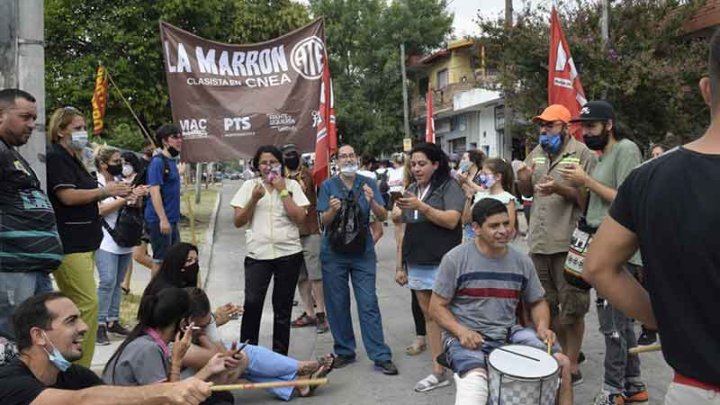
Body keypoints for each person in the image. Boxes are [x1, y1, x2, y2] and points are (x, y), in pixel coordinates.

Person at [584, 31, 720, 405]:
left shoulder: (650, 178)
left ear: (706, 90)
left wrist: (667, 320)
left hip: (695, 389)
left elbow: (597, 266)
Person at [429, 199, 572, 405]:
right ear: (476, 228)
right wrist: (461, 332)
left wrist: (542, 327)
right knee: (475, 382)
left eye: (506, 223)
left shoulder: (522, 261)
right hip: (464, 335)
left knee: (562, 364)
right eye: (494, 226)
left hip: (509, 331)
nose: (504, 230)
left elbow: (537, 302)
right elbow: (436, 307)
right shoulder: (455, 259)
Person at [559, 101, 647, 404]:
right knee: (619, 322)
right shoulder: (599, 157)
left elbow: (626, 198)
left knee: (612, 325)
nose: (586, 133)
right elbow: (593, 206)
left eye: (591, 127)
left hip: (619, 249)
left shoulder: (626, 150)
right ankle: (634, 385)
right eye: (583, 127)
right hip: (598, 242)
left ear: (609, 125)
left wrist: (587, 181)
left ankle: (613, 389)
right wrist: (578, 185)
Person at [0, 292, 212, 405]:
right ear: (38, 336)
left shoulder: (78, 377)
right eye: (71, 321)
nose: (84, 327)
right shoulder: (10, 384)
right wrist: (169, 390)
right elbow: (81, 401)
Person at [516, 104, 597, 384]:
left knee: (572, 307)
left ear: (565, 127)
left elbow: (590, 200)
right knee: (545, 306)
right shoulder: (536, 154)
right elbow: (527, 193)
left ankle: (572, 364)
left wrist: (561, 188)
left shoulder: (582, 154)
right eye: (541, 126)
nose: (544, 131)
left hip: (568, 243)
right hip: (538, 243)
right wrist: (523, 181)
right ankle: (561, 354)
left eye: (550, 126)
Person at [46, 106, 132, 367]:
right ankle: (79, 366)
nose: (83, 133)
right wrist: (105, 192)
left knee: (78, 305)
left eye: (84, 128)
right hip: (70, 245)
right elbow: (67, 196)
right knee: (88, 305)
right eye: (77, 128)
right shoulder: (57, 158)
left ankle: (71, 365)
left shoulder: (75, 158)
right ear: (61, 130)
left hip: (85, 242)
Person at [317, 144, 398, 375]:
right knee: (337, 303)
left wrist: (372, 201)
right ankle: (344, 350)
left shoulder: (368, 182)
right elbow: (323, 221)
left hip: (362, 251)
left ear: (357, 159)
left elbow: (383, 216)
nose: (348, 159)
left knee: (368, 302)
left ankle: (380, 355)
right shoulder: (328, 186)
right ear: (337, 161)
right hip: (334, 252)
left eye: (351, 155)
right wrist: (332, 210)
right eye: (343, 156)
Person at [393, 142, 465, 392]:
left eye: (422, 163)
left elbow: (452, 220)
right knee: (430, 316)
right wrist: (397, 215)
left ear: (436, 164)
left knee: (452, 313)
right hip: (418, 259)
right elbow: (403, 227)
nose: (416, 168)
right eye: (413, 164)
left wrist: (421, 207)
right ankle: (438, 369)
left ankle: (467, 363)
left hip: (444, 260)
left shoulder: (449, 186)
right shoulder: (411, 188)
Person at [183, 287, 334, 401]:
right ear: (186, 322)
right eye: (203, 325)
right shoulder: (177, 341)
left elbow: (221, 352)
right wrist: (205, 331)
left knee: (245, 355)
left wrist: (210, 325)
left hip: (200, 363)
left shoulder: (195, 318)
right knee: (243, 360)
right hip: (186, 385)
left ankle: (299, 380)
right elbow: (218, 357)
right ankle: (299, 369)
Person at [231, 145, 309, 355]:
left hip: (288, 253)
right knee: (253, 304)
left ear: (280, 164)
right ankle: (248, 355)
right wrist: (254, 200)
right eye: (264, 163)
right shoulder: (250, 186)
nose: (268, 167)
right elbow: (238, 221)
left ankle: (279, 358)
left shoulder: (292, 185)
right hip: (258, 254)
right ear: (257, 166)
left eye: (273, 162)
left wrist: (283, 190)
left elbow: (300, 219)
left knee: (282, 308)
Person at [0, 89, 63, 344]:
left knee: (37, 340)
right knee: (15, 341)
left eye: (33, 118)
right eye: (25, 117)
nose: (31, 125)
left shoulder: (10, 153)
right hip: (11, 269)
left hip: (31, 266)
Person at [103, 288, 235, 405]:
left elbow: (169, 392)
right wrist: (177, 361)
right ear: (185, 323)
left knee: (221, 396)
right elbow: (170, 399)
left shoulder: (147, 339)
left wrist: (209, 368)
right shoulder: (149, 350)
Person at [94, 146, 147, 346]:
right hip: (104, 239)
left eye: (122, 162)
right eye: (116, 161)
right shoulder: (96, 183)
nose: (121, 166)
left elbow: (131, 206)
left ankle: (112, 320)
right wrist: (124, 199)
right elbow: (99, 209)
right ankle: (98, 324)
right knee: (107, 281)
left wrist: (136, 197)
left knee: (117, 282)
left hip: (124, 238)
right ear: (103, 164)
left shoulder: (120, 183)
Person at [283, 144, 329, 334]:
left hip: (310, 231)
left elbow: (303, 191)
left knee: (316, 275)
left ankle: (321, 314)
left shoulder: (308, 175)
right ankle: (309, 312)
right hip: (291, 233)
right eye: (287, 155)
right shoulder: (281, 178)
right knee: (301, 277)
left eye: (293, 154)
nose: (290, 158)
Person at [145, 124, 183, 274]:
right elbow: (154, 192)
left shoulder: (172, 162)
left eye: (180, 137)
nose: (179, 140)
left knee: (175, 258)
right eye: (175, 137)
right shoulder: (158, 162)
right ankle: (152, 295)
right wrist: (163, 219)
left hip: (172, 219)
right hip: (160, 220)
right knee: (160, 261)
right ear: (165, 141)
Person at [119, 151, 153, 295]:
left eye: (126, 163)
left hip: (141, 221)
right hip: (123, 222)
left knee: (138, 255)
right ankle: (125, 285)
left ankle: (165, 270)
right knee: (127, 254)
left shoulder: (141, 179)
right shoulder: (118, 180)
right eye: (121, 163)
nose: (123, 166)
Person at [462, 157, 517, 238]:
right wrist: (469, 199)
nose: (481, 177)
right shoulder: (481, 195)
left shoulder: (507, 199)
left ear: (498, 177)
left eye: (485, 174)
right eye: (481, 174)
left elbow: (509, 228)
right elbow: (466, 220)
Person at [456, 149, 487, 241]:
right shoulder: (464, 174)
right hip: (465, 214)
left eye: (465, 158)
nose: (462, 161)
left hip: (479, 213)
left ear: (472, 161)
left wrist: (467, 182)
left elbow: (484, 190)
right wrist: (460, 182)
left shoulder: (483, 174)